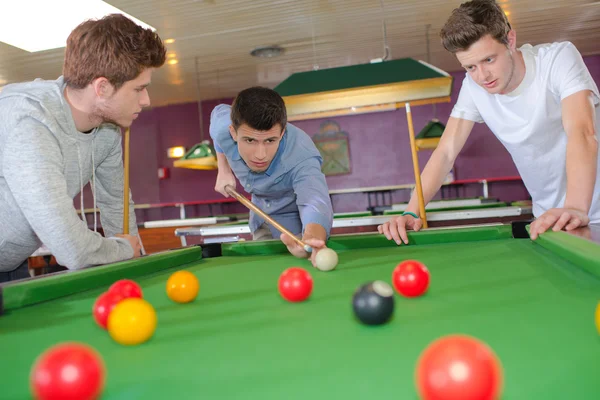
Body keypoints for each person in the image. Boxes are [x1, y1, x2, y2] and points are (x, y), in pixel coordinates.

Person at [379, 0, 599, 244]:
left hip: (587, 210)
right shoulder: (473, 87)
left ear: (510, 40)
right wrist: (412, 210)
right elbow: (445, 152)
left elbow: (582, 131)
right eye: (470, 66)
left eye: (489, 60)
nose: (482, 76)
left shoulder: (557, 59)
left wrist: (577, 208)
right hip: (550, 220)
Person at [0, 14, 167, 282]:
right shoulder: (30, 120)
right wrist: (123, 250)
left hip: (10, 263)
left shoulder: (108, 130)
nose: (146, 100)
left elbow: (116, 205)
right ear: (102, 87)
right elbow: (71, 248)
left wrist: (138, 270)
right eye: (139, 89)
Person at [210, 87, 334, 266]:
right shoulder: (223, 128)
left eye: (270, 141)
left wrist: (312, 239)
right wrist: (223, 169)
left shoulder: (302, 156)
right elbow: (217, 116)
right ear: (233, 133)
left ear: (282, 134)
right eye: (250, 140)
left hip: (296, 228)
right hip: (260, 219)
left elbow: (314, 202)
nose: (260, 155)